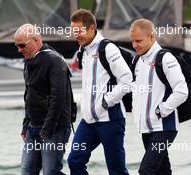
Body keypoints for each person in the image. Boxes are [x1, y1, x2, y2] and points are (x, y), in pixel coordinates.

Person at [67, 9, 131, 175]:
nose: (75, 35)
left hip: (111, 119)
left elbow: (126, 79)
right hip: (88, 121)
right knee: (74, 161)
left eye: (79, 31)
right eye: (73, 31)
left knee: (116, 170)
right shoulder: (83, 51)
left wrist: (106, 101)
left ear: (91, 28)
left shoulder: (107, 48)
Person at [130, 19, 188, 175]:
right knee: (162, 171)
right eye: (133, 41)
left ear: (152, 36)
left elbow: (182, 91)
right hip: (146, 129)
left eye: (139, 41)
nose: (135, 45)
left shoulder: (166, 58)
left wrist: (161, 110)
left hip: (164, 128)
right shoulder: (138, 60)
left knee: (146, 170)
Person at [14, 24, 72, 175]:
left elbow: (58, 98)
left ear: (36, 40)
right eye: (17, 46)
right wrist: (26, 123)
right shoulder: (28, 59)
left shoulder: (54, 60)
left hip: (55, 127)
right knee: (27, 171)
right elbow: (29, 94)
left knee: (50, 172)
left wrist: (47, 128)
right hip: (33, 127)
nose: (19, 50)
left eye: (22, 45)